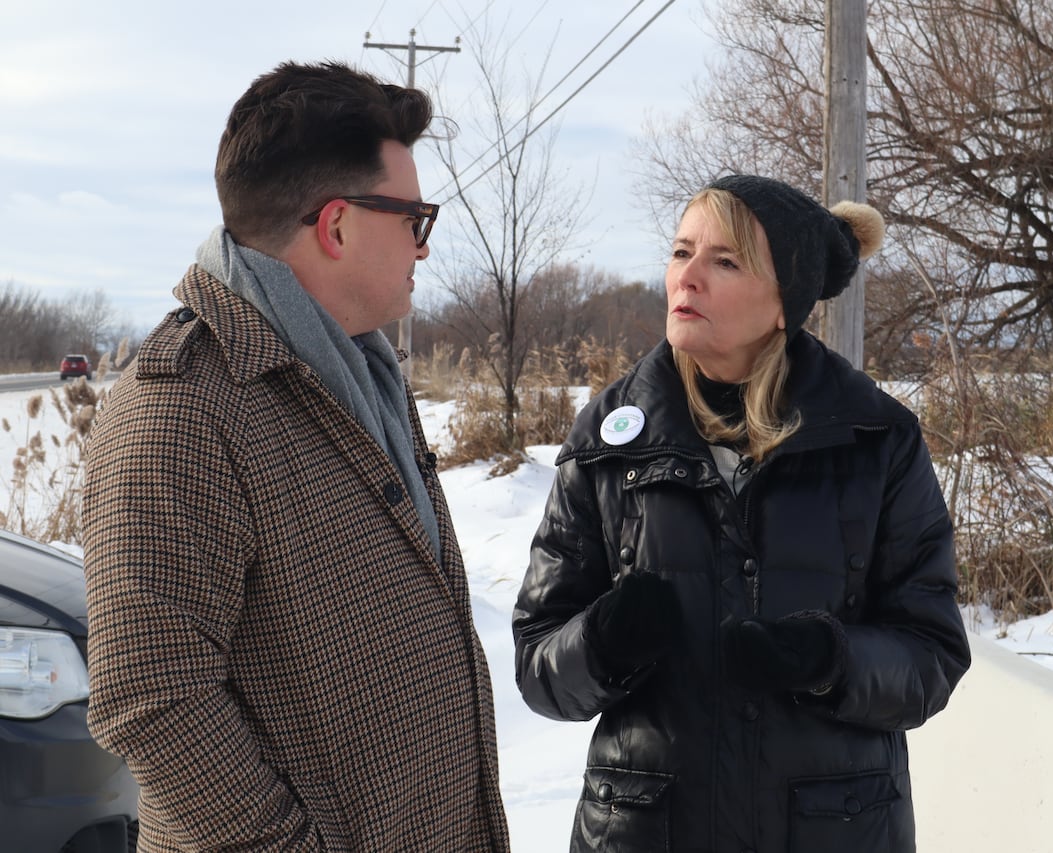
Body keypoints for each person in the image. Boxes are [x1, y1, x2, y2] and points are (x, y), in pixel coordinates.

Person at [81, 61, 509, 851]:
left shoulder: (360, 375)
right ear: (337, 225)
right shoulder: (182, 406)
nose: (423, 247)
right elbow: (150, 693)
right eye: (414, 219)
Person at [512, 174, 971, 852]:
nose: (686, 278)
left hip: (831, 831)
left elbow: (931, 654)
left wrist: (831, 660)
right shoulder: (608, 438)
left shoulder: (876, 441)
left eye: (723, 261)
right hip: (646, 831)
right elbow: (538, 663)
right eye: (680, 252)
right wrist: (602, 641)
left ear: (786, 300)